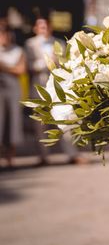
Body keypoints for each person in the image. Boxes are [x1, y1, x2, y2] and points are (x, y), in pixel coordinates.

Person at [25, 17, 86, 165]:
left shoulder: (59, 42)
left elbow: (67, 63)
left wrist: (56, 63)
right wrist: (46, 62)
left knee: (64, 119)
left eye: (46, 26)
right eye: (41, 27)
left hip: (58, 85)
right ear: (36, 29)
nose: (44, 29)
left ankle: (72, 154)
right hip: (38, 85)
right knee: (40, 123)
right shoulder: (30, 44)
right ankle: (43, 156)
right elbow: (28, 65)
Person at [0, 23, 27, 169]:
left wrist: (3, 67)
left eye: (6, 33)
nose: (5, 37)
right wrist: (12, 68)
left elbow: (21, 69)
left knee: (13, 123)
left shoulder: (18, 50)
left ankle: (10, 159)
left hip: (13, 90)